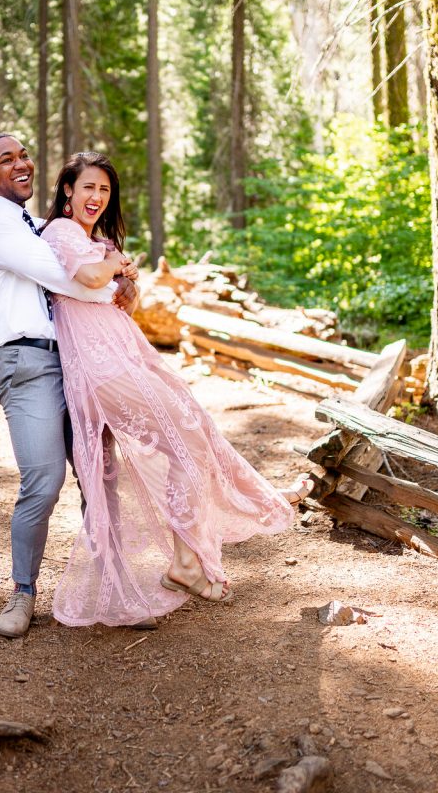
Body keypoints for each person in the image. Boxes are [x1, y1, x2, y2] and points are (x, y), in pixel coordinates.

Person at [40, 151, 298, 628]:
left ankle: (184, 561)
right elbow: (91, 277)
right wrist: (115, 263)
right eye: (88, 187)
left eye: (105, 190)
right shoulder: (60, 233)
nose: (96, 197)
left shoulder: (94, 239)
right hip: (101, 367)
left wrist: (129, 289)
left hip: (125, 353)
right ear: (67, 192)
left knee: (194, 436)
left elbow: (111, 305)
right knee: (185, 439)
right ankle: (184, 562)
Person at [0, 133, 138, 638]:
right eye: (6, 160)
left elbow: (74, 257)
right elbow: (64, 276)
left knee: (100, 475)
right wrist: (116, 277)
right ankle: (22, 593)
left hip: (75, 358)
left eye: (23, 155)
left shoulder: (29, 222)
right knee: (43, 482)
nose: (20, 164)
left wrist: (120, 274)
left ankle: (117, 589)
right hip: (29, 362)